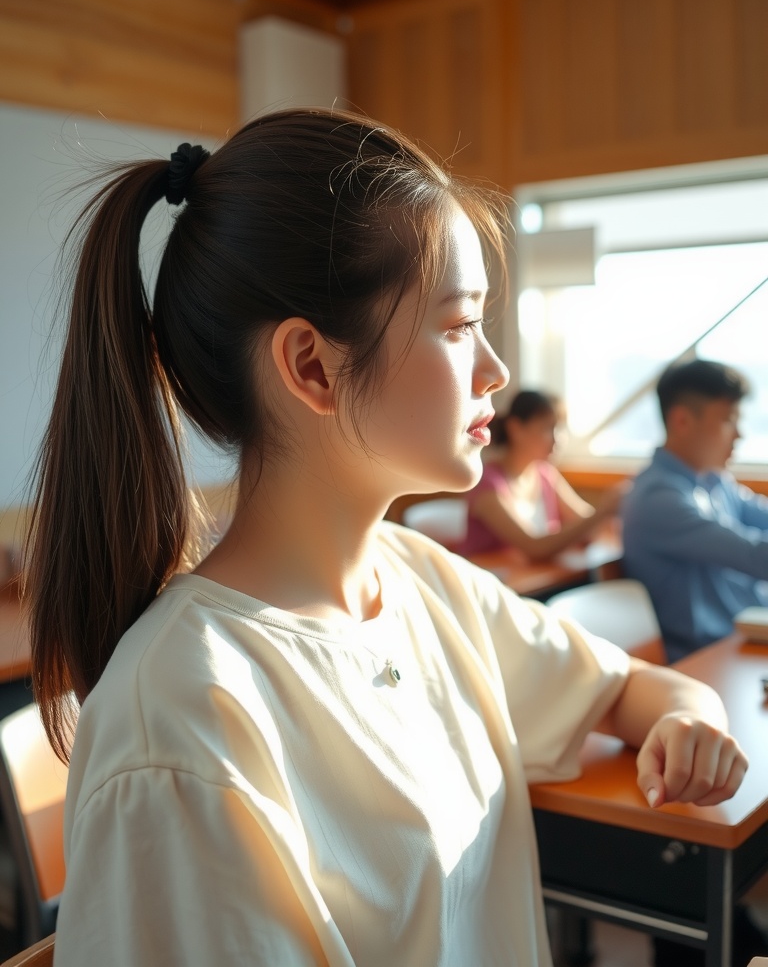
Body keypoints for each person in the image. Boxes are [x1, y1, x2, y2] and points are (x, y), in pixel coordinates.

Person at [24, 110, 748, 967]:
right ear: (310, 367)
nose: (496, 370)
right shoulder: (184, 722)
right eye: (456, 326)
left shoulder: (419, 581)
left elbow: (633, 688)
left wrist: (690, 717)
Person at [622, 358, 768, 663]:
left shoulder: (714, 480)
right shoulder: (659, 497)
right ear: (682, 421)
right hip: (707, 658)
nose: (739, 434)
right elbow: (755, 556)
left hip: (743, 641)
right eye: (729, 419)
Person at [455, 388, 625, 558]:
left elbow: (587, 524)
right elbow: (534, 547)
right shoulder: (487, 483)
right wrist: (603, 512)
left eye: (560, 428)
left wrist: (605, 515)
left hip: (540, 581)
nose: (557, 439)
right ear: (515, 429)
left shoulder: (545, 474)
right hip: (492, 582)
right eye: (547, 428)